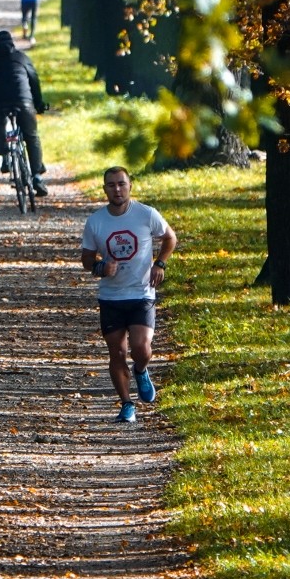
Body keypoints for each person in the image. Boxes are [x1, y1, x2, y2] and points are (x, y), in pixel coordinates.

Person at [80, 166, 177, 424]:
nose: (117, 189)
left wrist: (160, 264)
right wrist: (100, 267)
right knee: (117, 353)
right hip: (111, 296)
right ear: (105, 190)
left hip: (141, 292)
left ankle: (142, 370)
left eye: (121, 183)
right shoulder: (96, 221)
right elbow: (86, 259)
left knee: (141, 347)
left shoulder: (146, 214)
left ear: (130, 185)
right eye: (111, 185)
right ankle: (126, 404)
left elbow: (170, 238)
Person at [0, 29, 47, 196]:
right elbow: (34, 81)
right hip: (23, 101)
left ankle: (3, 150)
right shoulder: (22, 58)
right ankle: (37, 176)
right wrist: (38, 104)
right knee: (31, 137)